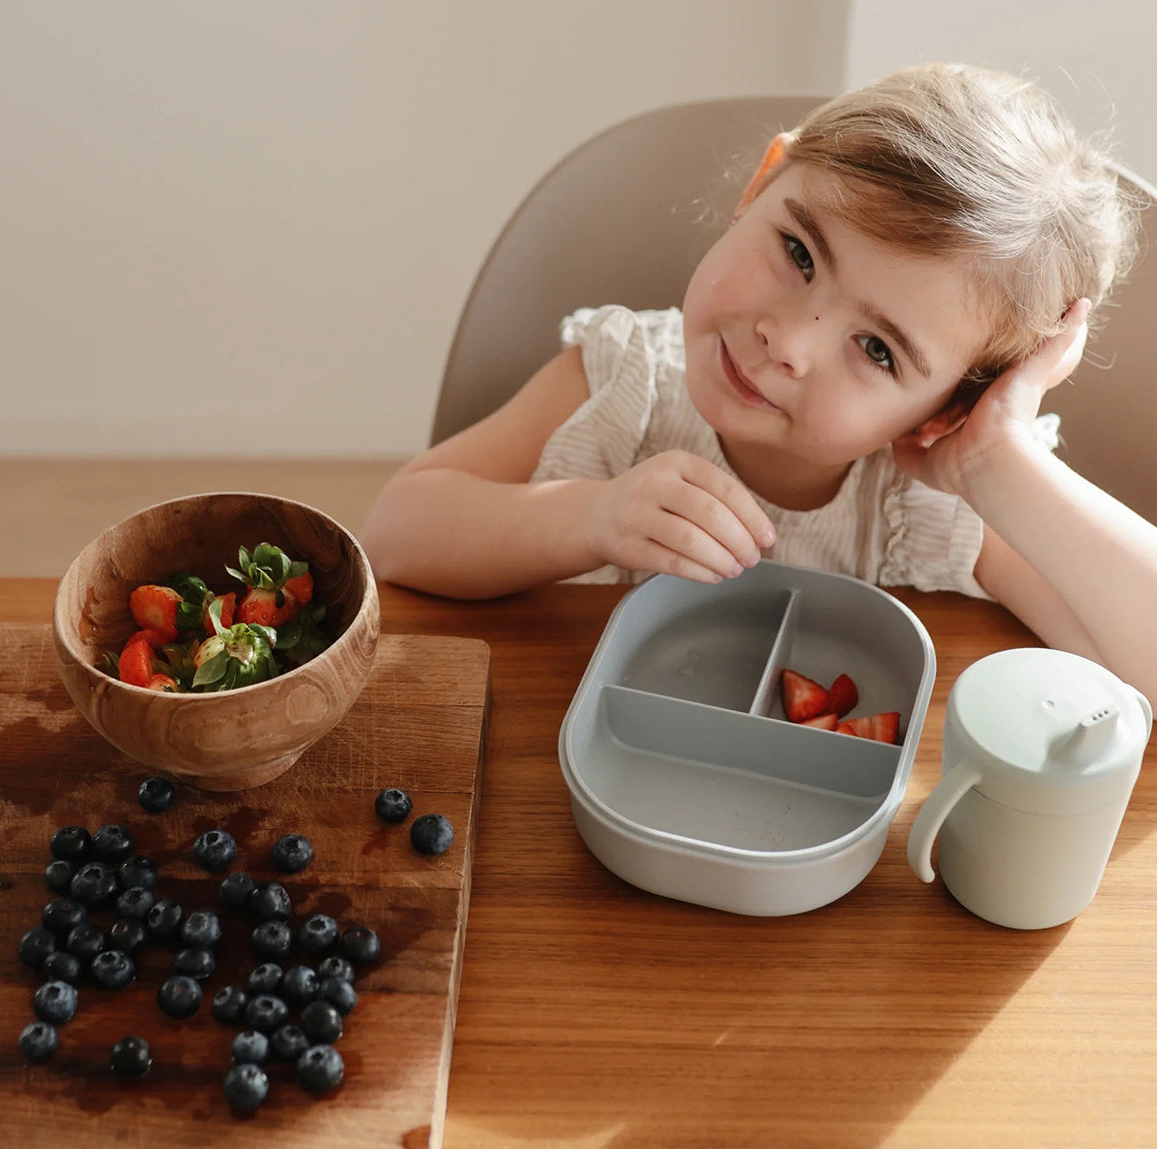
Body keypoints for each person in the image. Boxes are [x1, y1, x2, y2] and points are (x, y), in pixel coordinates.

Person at [361, 63, 1157, 704]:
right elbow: (398, 533)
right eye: (801, 255)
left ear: (948, 407)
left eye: (877, 349)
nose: (790, 344)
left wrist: (994, 462)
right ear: (760, 184)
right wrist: (589, 516)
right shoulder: (627, 377)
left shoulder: (943, 500)